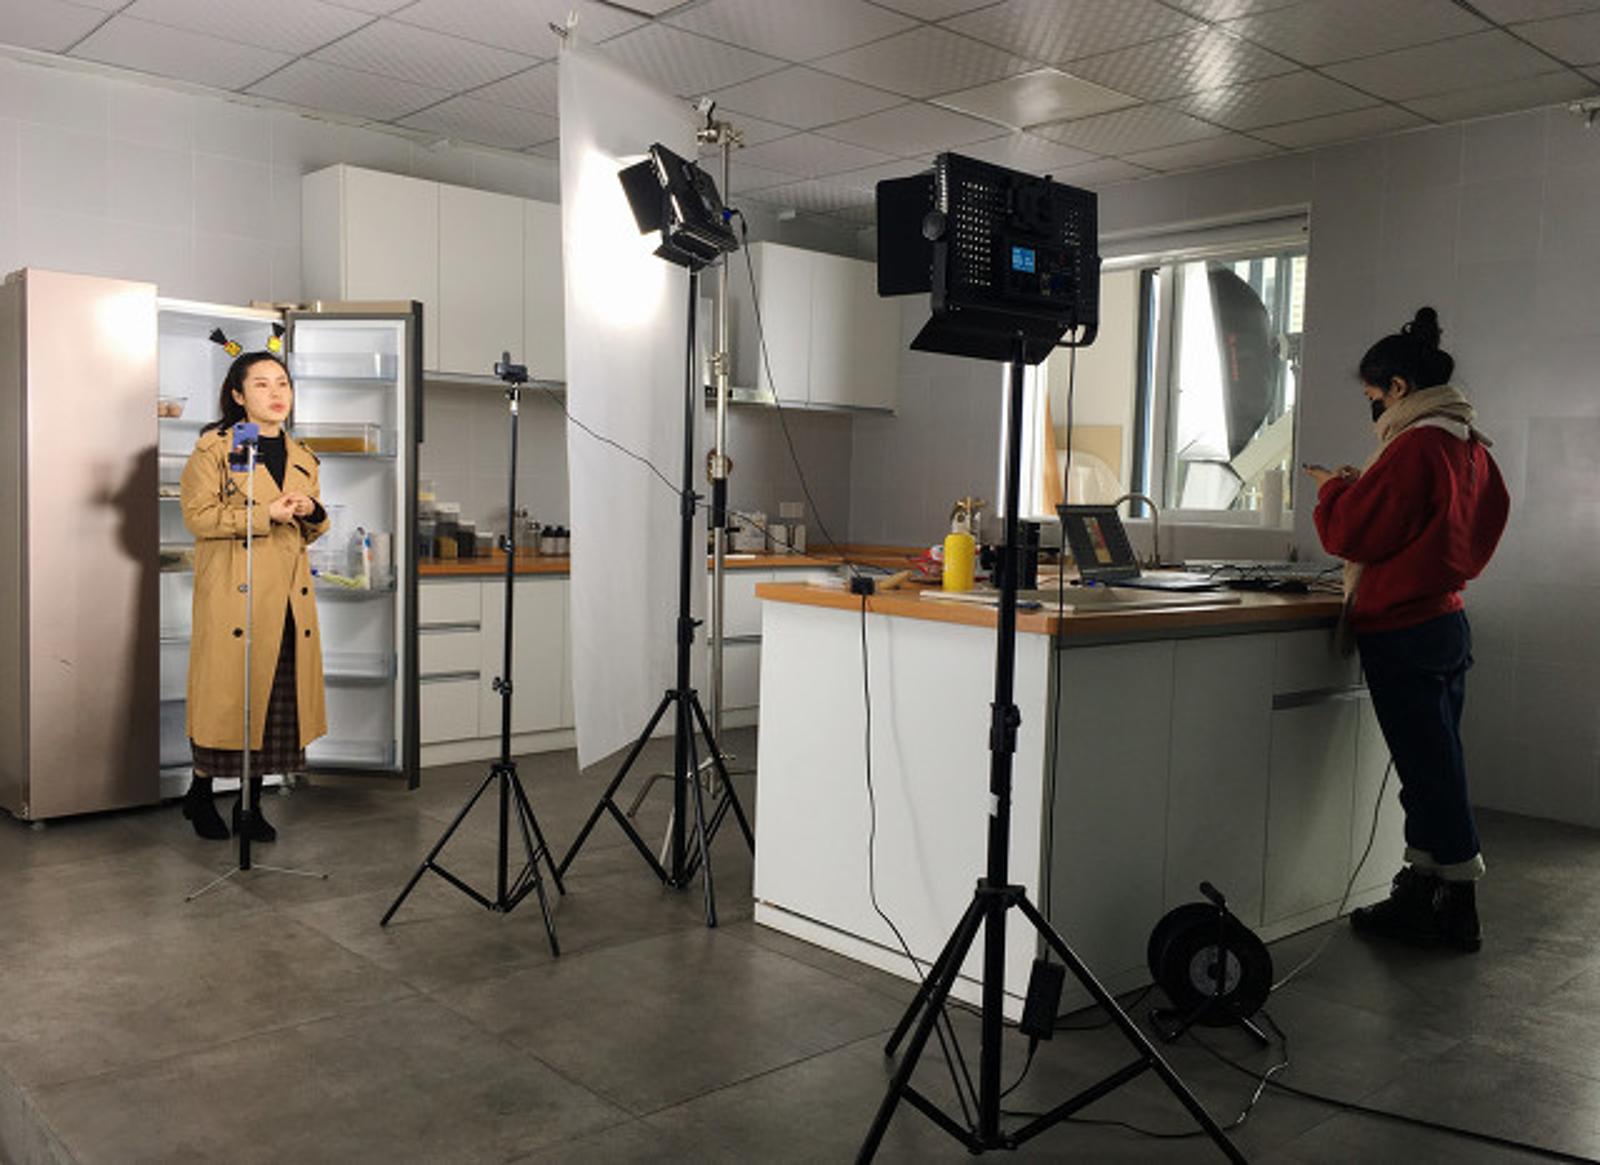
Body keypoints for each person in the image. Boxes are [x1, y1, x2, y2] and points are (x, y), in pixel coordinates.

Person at [1306, 307, 1509, 952]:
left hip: (1404, 629)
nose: (1373, 410)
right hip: (1446, 620)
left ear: (1398, 387)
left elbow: (1352, 533)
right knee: (1435, 764)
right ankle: (1423, 892)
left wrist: (1333, 490)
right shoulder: (1469, 442)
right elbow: (1475, 522)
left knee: (1429, 774)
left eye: (1374, 396)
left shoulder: (1418, 443)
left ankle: (1458, 908)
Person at [179, 351, 330, 842]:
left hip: (287, 600)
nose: (276, 393)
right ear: (238, 396)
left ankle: (252, 805)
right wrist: (266, 514)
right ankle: (201, 793)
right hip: (235, 598)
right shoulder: (217, 448)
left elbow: (310, 531)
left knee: (275, 702)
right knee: (228, 699)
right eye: (261, 384)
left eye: (282, 382)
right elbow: (198, 517)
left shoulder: (302, 455)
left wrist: (311, 511)